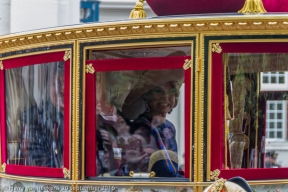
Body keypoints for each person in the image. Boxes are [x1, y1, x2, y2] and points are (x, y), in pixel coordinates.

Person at [122, 69, 184, 177]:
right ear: (146, 95)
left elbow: (173, 165)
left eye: (170, 91)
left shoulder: (169, 126)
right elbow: (155, 169)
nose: (165, 96)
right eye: (158, 91)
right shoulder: (140, 127)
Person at [5, 62, 64, 168]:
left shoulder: (85, 115)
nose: (63, 89)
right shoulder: (32, 117)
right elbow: (39, 161)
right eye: (58, 83)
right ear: (49, 85)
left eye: (68, 83)